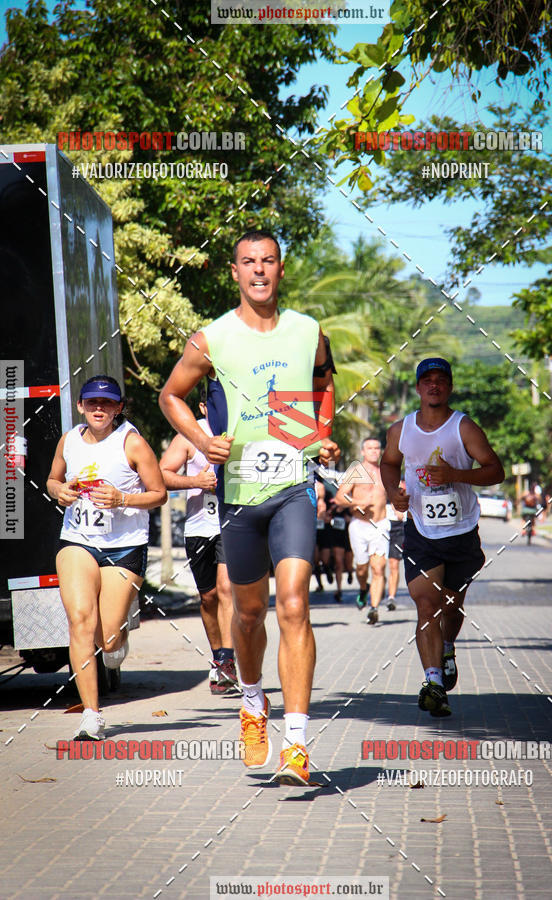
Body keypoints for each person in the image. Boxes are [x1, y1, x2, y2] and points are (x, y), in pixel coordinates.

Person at [159, 230, 339, 785]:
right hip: (237, 496)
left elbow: (323, 382)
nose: (259, 270)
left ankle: (299, 743)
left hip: (292, 490)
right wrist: (201, 436)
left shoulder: (309, 332)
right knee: (249, 612)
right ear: (234, 272)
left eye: (268, 261)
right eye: (248, 262)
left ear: (282, 270)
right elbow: (171, 395)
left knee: (293, 606)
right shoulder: (212, 337)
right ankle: (254, 702)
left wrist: (321, 433)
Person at [380, 358, 504, 717]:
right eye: (427, 380)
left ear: (449, 387)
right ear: (418, 387)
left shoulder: (462, 427)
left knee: (451, 606)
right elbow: (389, 463)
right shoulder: (400, 430)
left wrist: (454, 474)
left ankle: (448, 645)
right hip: (421, 529)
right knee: (425, 605)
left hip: (462, 531)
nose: (434, 386)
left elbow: (495, 470)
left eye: (441, 380)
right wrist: (393, 491)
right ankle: (433, 683)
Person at [47, 375, 167, 740]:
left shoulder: (132, 443)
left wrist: (122, 500)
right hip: (77, 541)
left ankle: (117, 638)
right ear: (81, 406)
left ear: (118, 408)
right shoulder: (68, 441)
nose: (100, 409)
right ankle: (91, 715)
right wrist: (59, 491)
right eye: (92, 403)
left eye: (108, 404)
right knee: (80, 620)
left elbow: (159, 493)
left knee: (107, 641)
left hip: (124, 547)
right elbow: (52, 479)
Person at [160, 395, 238, 695]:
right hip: (198, 528)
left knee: (227, 589)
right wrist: (196, 481)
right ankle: (219, 656)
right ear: (203, 408)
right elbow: (162, 474)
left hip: (231, 524)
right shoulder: (188, 437)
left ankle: (228, 660)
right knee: (208, 598)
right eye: (212, 403)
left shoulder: (240, 433)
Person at [334, 437, 389, 625]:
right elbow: (340, 497)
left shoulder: (386, 473)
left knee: (378, 568)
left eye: (377, 448)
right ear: (363, 452)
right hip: (359, 525)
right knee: (362, 568)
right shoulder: (356, 471)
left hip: (381, 524)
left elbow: (396, 494)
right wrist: (358, 503)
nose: (374, 451)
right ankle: (363, 589)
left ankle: (373, 609)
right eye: (370, 448)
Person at [386, 488, 407, 610]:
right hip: (381, 525)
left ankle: (391, 597)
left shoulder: (402, 485)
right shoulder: (377, 479)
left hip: (398, 527)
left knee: (393, 564)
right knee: (378, 566)